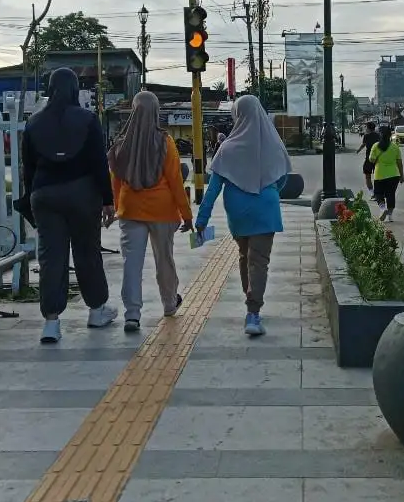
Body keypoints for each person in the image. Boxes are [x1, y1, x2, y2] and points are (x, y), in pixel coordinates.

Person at [22, 68, 118, 343]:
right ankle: (97, 310)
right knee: (87, 251)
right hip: (82, 194)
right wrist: (108, 200)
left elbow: (27, 167)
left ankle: (51, 323)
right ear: (75, 89)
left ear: (50, 89)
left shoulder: (34, 122)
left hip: (45, 195)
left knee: (51, 257)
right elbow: (99, 163)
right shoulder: (88, 119)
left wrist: (31, 196)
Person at [194, 95, 291, 337]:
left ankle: (251, 301)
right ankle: (253, 312)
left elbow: (213, 188)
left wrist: (201, 220)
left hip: (238, 213)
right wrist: (265, 192)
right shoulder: (273, 143)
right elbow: (282, 178)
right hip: (266, 209)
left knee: (244, 256)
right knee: (259, 261)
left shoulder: (227, 147)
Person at [109, 91, 193, 332]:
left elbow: (114, 180)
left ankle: (132, 314)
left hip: (130, 211)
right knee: (164, 260)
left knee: (131, 264)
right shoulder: (165, 142)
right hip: (163, 212)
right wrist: (186, 214)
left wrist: (116, 208)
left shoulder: (121, 144)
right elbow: (176, 181)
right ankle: (169, 304)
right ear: (156, 112)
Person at [369, 125, 403, 222]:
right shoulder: (395, 147)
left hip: (379, 174)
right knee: (390, 194)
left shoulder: (376, 146)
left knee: (378, 193)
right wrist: (401, 176)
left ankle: (383, 208)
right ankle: (390, 216)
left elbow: (371, 160)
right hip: (394, 174)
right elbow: (399, 162)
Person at [356, 121, 380, 194]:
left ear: (368, 128)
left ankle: (372, 193)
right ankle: (378, 192)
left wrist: (358, 150)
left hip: (369, 158)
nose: (365, 128)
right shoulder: (378, 135)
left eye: (366, 127)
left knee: (367, 176)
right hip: (377, 158)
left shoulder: (366, 136)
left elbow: (363, 144)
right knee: (378, 176)